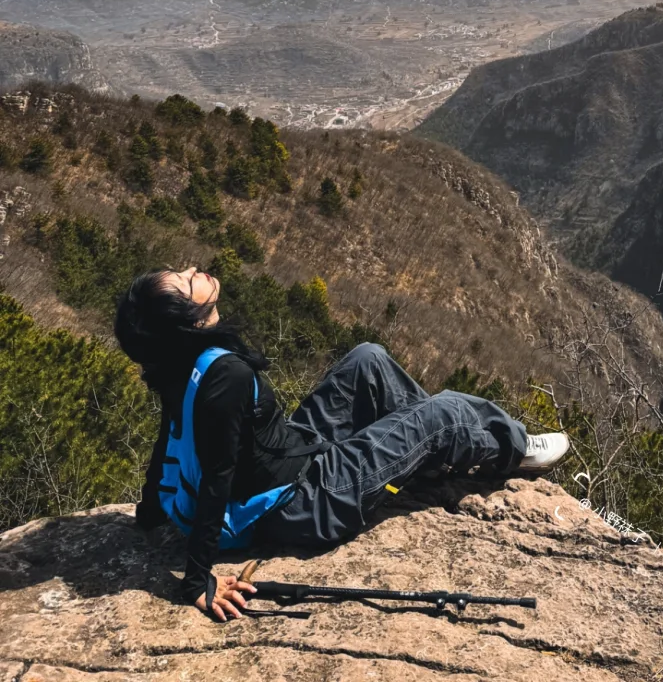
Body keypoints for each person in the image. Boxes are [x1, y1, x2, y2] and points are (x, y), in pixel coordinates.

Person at [114, 265, 570, 622]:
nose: (196, 271)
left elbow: (169, 434)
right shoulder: (223, 376)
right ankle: (511, 448)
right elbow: (217, 474)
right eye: (186, 281)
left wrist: (150, 510)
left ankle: (430, 453)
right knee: (444, 411)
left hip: (297, 451)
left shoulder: (177, 363)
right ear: (187, 321)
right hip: (305, 501)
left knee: (367, 359)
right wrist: (198, 581)